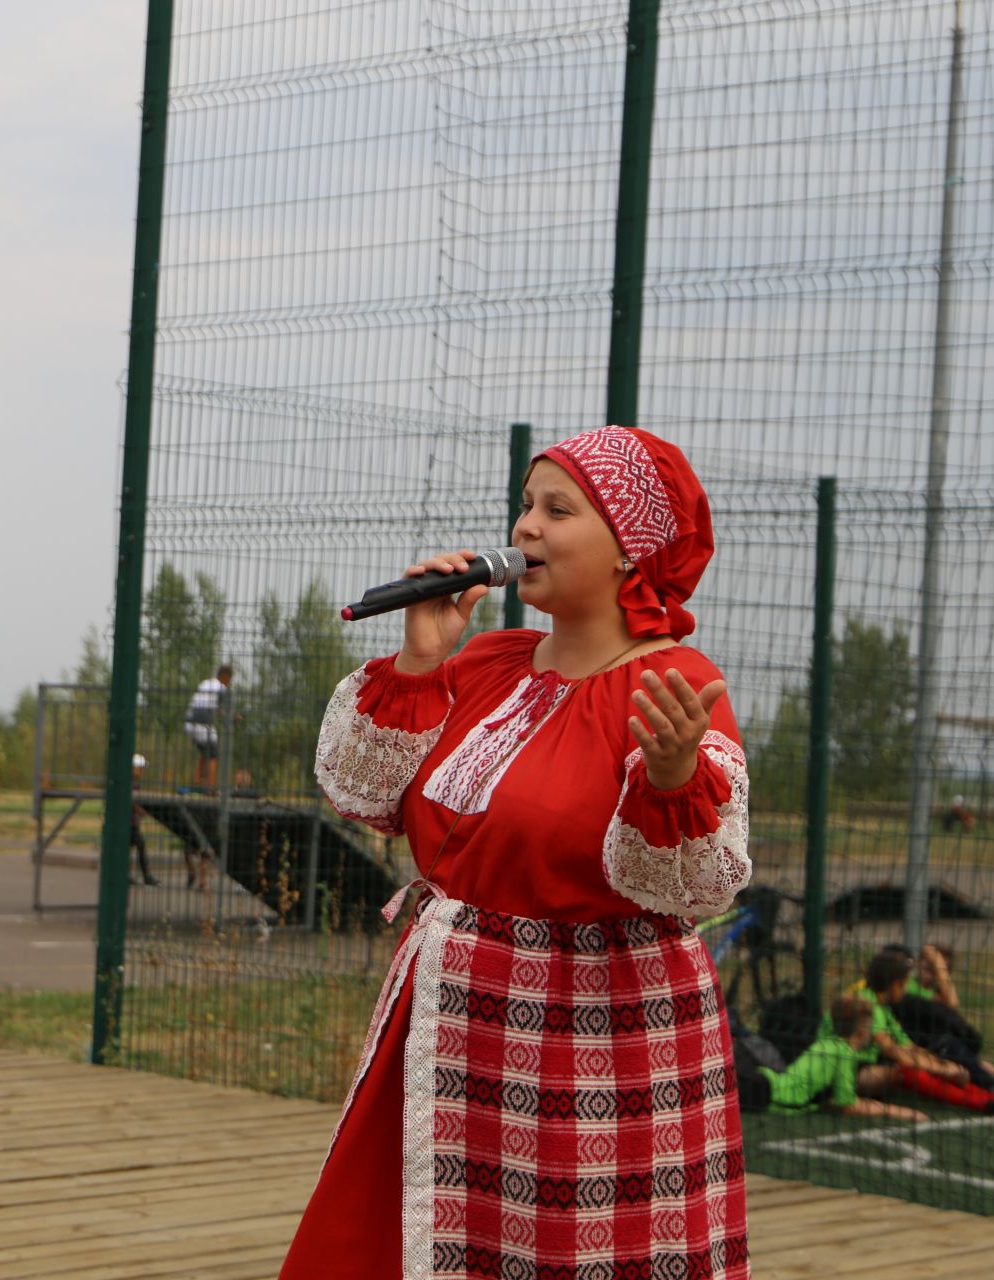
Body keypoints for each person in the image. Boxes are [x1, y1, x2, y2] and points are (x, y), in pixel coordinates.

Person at [282, 427, 752, 1279]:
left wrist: (675, 775)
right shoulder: (490, 663)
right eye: (526, 504)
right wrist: (421, 661)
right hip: (450, 1022)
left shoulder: (671, 683)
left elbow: (693, 885)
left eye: (557, 509)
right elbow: (369, 796)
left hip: (598, 1046)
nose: (525, 527)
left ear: (629, 552)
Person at [838, 949, 994, 1115]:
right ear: (896, 984)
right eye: (905, 983)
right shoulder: (865, 1005)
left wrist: (946, 1065)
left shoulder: (885, 1009)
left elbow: (908, 1047)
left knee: (934, 1057)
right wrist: (942, 1069)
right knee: (907, 1071)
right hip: (848, 1070)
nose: (907, 989)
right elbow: (893, 1051)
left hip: (867, 1065)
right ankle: (984, 1102)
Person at [738, 996, 927, 1121]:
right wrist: (902, 1112)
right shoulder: (845, 1052)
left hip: (763, 1080)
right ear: (862, 1030)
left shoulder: (827, 1043)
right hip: (769, 1096)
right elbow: (848, 1105)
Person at [184, 663, 233, 788]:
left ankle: (196, 781)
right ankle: (211, 788)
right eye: (230, 679)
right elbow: (222, 711)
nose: (230, 683)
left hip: (190, 722)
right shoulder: (221, 687)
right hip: (202, 724)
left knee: (206, 752)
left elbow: (212, 707)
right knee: (213, 755)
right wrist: (232, 716)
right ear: (225, 676)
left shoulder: (206, 683)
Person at [129, 753, 159, 886]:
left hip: (131, 822)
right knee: (140, 846)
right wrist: (143, 812)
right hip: (129, 823)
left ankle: (127, 875)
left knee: (132, 847)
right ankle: (146, 876)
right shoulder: (132, 782)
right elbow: (133, 803)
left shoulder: (132, 781)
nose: (142, 771)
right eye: (140, 768)